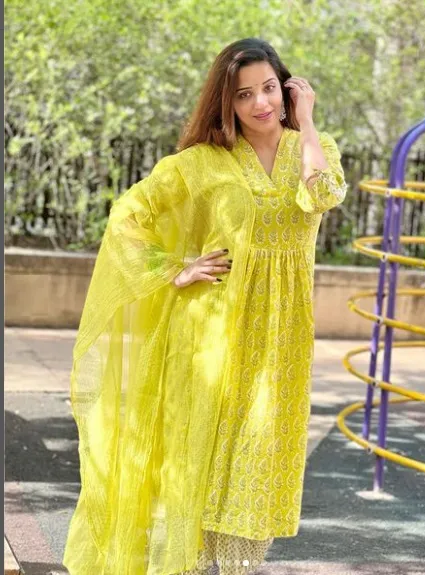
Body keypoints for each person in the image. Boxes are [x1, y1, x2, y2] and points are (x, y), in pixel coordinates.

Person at [63, 37, 347, 575]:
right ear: (226, 102)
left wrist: (306, 120)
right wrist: (174, 269)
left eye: (269, 88)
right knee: (200, 456)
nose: (261, 103)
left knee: (257, 458)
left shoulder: (315, 147)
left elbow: (322, 195)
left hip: (280, 337)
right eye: (244, 94)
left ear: (287, 89)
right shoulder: (203, 162)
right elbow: (128, 216)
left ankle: (235, 567)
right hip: (210, 332)